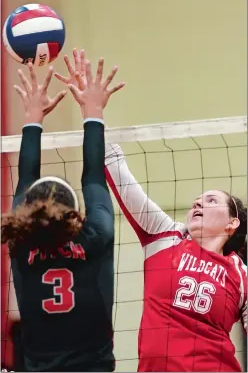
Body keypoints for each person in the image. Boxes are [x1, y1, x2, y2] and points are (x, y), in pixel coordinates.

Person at [1, 56, 125, 371]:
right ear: (75, 213)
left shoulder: (21, 242)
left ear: (27, 212)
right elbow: (95, 176)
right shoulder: (95, 235)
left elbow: (25, 177)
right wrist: (92, 110)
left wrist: (32, 117)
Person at [104, 143, 247, 372]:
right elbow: (113, 163)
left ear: (232, 223)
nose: (198, 203)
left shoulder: (240, 273)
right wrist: (93, 113)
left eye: (211, 201)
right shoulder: (164, 236)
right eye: (198, 200)